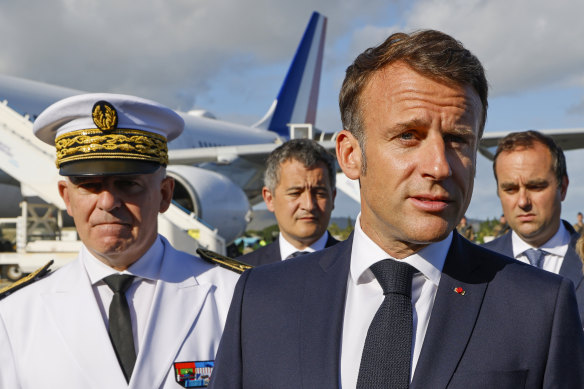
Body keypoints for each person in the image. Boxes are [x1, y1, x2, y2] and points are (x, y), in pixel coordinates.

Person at [209, 30, 584, 388]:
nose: (439, 166)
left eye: (457, 140)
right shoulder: (260, 299)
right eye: (408, 136)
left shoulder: (539, 309)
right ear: (350, 155)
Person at [0, 94, 239, 388]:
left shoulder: (233, 297)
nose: (108, 202)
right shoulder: (15, 314)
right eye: (89, 185)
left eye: (128, 184)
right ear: (66, 198)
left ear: (164, 195)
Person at [483, 130, 584, 322]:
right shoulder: (472, 268)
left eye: (536, 186)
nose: (522, 201)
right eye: (510, 189)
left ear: (562, 187)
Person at [240, 139, 338, 266]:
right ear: (269, 199)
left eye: (319, 193)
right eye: (295, 193)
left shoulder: (356, 268)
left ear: (333, 198)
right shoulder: (243, 274)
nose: (308, 205)